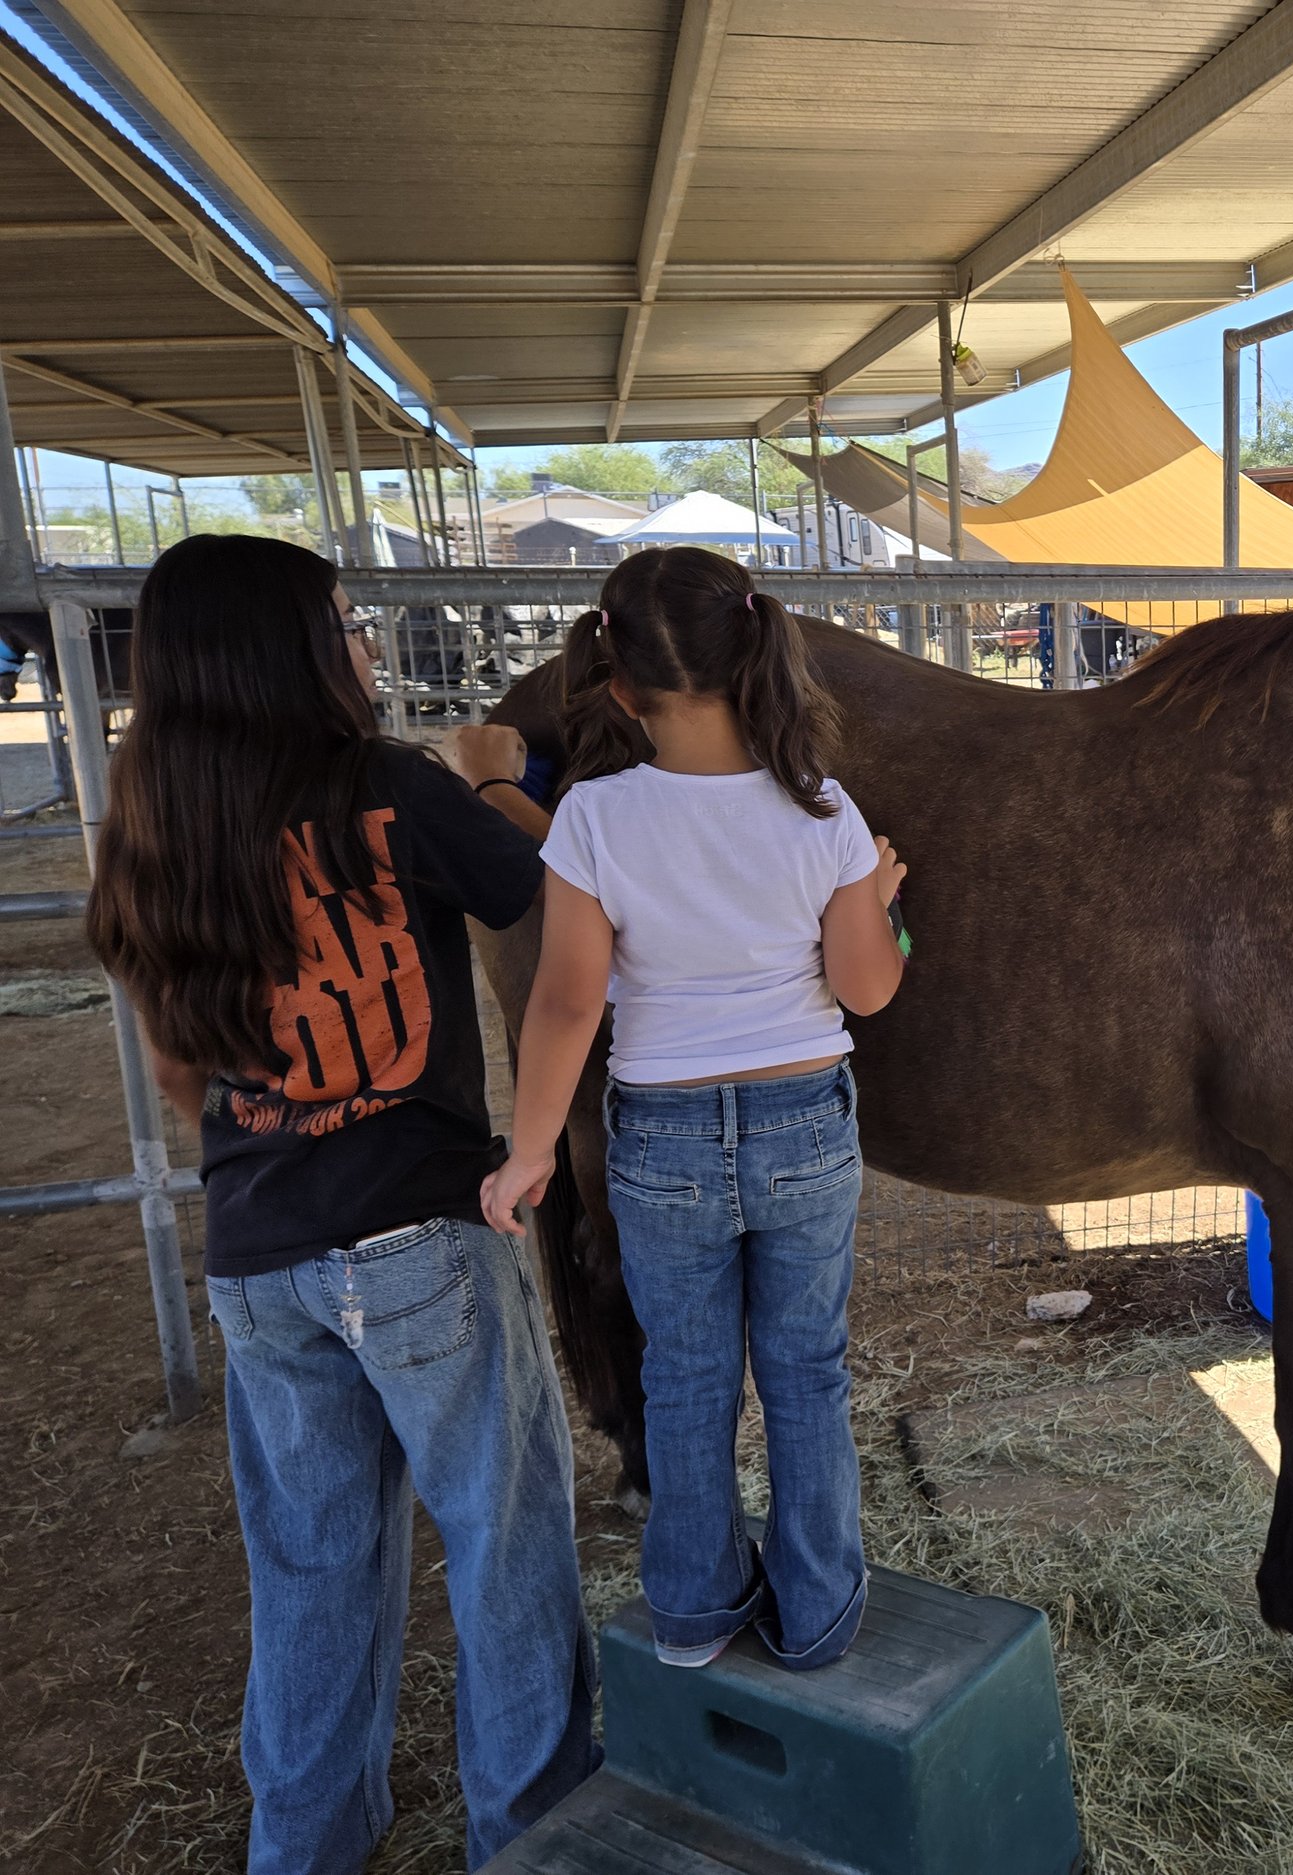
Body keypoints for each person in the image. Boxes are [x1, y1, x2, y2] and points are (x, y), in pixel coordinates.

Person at [83, 534, 596, 1871]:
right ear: (293, 651)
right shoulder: (393, 787)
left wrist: (278, 1137)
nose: (367, 645)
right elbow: (556, 903)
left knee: (310, 1568)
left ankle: (302, 1846)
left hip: (257, 1255)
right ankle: (534, 1838)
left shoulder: (149, 830)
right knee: (505, 1548)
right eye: (349, 621)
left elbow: (176, 1068)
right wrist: (493, 778)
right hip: (422, 1233)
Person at [481, 546, 906, 1673]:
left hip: (662, 1137)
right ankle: (816, 1615)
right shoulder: (824, 809)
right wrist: (878, 898)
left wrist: (531, 1151)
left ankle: (693, 1611)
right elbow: (866, 989)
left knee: (684, 1375)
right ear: (754, 651)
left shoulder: (591, 817)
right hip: (803, 1123)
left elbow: (568, 1002)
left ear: (617, 685)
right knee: (807, 1374)